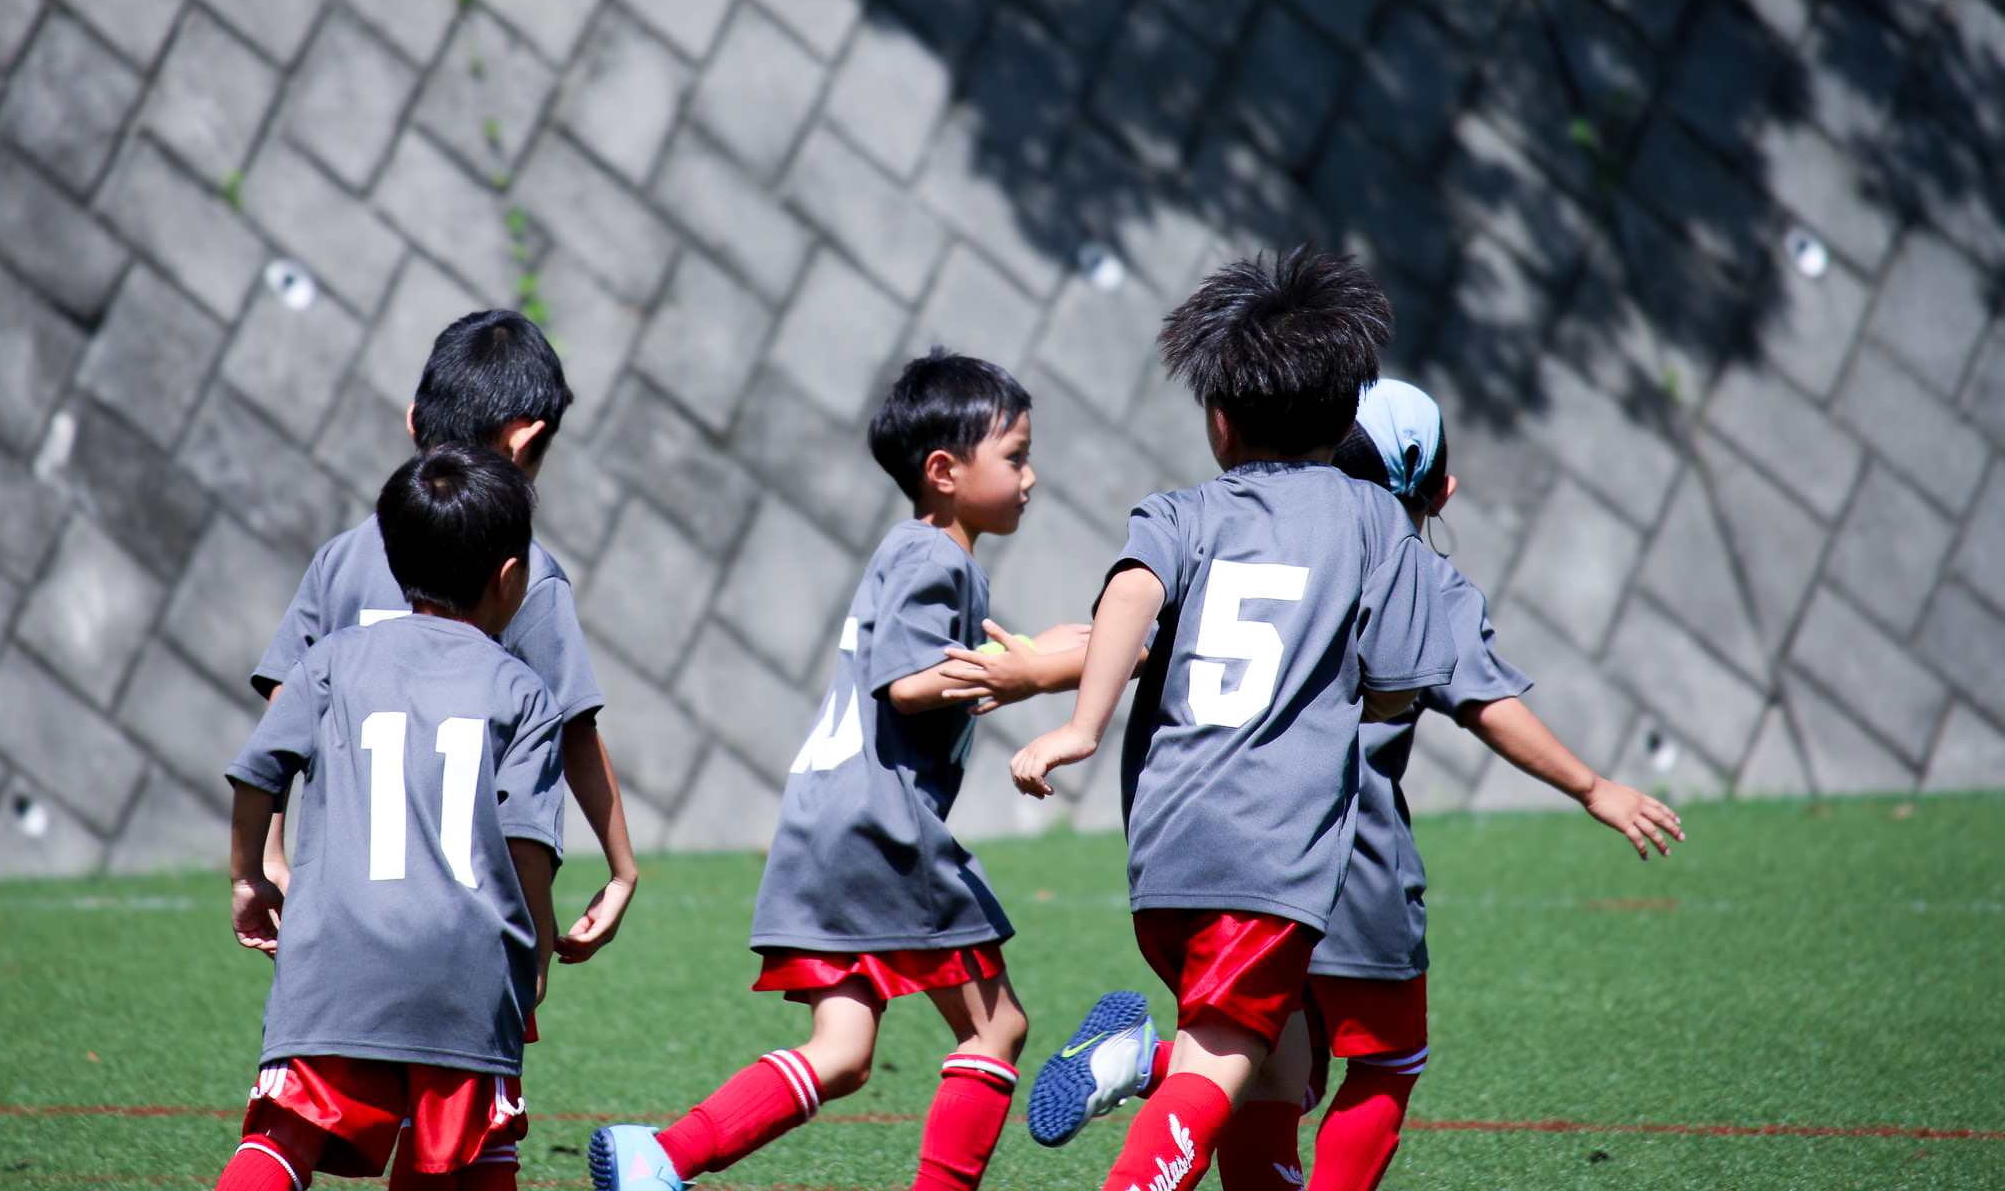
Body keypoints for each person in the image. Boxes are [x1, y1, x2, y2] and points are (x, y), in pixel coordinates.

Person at [1029, 379, 1685, 1191]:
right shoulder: (1404, 558)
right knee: (1381, 1060)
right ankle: (1148, 1072)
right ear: (1440, 490)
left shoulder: (1217, 523)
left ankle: (1143, 1059)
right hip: (1343, 861)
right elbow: (1481, 701)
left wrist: (1040, 678)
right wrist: (1593, 787)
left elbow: (1129, 627)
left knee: (1269, 1064)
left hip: (1194, 841)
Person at [589, 350, 1090, 1191]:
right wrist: (1031, 674)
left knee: (844, 1054)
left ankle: (661, 1159)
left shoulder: (914, 554)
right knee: (996, 1029)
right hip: (883, 829)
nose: (1031, 476)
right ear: (944, 471)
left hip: (824, 824)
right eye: (1015, 457)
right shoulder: (938, 560)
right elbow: (906, 684)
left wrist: (1026, 660)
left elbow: (923, 670)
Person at [1010, 249, 1457, 1191]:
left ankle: (1131, 1060)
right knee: (1222, 1067)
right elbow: (1401, 682)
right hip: (1274, 857)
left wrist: (1084, 726)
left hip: (1165, 849)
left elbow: (1130, 595)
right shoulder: (1374, 523)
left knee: (1276, 1065)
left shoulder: (1179, 512)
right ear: (1344, 420)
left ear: (1219, 420)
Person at [216, 444, 566, 1191]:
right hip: (465, 968)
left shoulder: (330, 663)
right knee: (470, 1155)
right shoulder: (523, 691)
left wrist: (248, 875)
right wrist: (534, 947)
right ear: (510, 579)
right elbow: (527, 842)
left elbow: (257, 774)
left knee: (281, 1144)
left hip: (334, 959)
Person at [253, 309, 636, 963]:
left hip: (335, 913)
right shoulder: (525, 576)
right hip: (469, 926)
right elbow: (574, 726)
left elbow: (284, 708)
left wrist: (269, 847)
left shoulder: (340, 560)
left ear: (413, 422)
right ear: (524, 442)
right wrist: (622, 867)